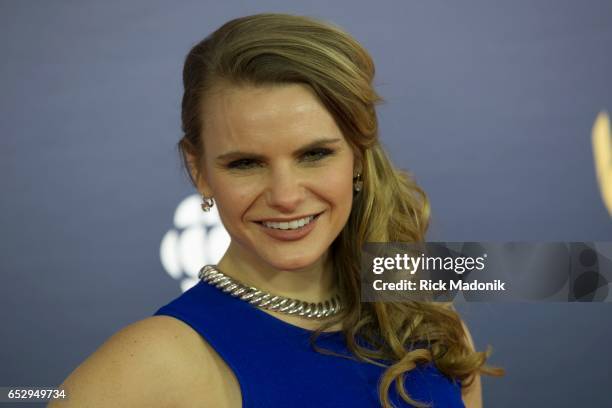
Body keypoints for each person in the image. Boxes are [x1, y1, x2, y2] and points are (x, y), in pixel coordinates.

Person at [51, 13, 502, 408]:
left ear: (359, 156)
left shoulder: (428, 323)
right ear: (199, 169)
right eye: (245, 163)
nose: (285, 196)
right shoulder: (158, 361)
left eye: (314, 154)